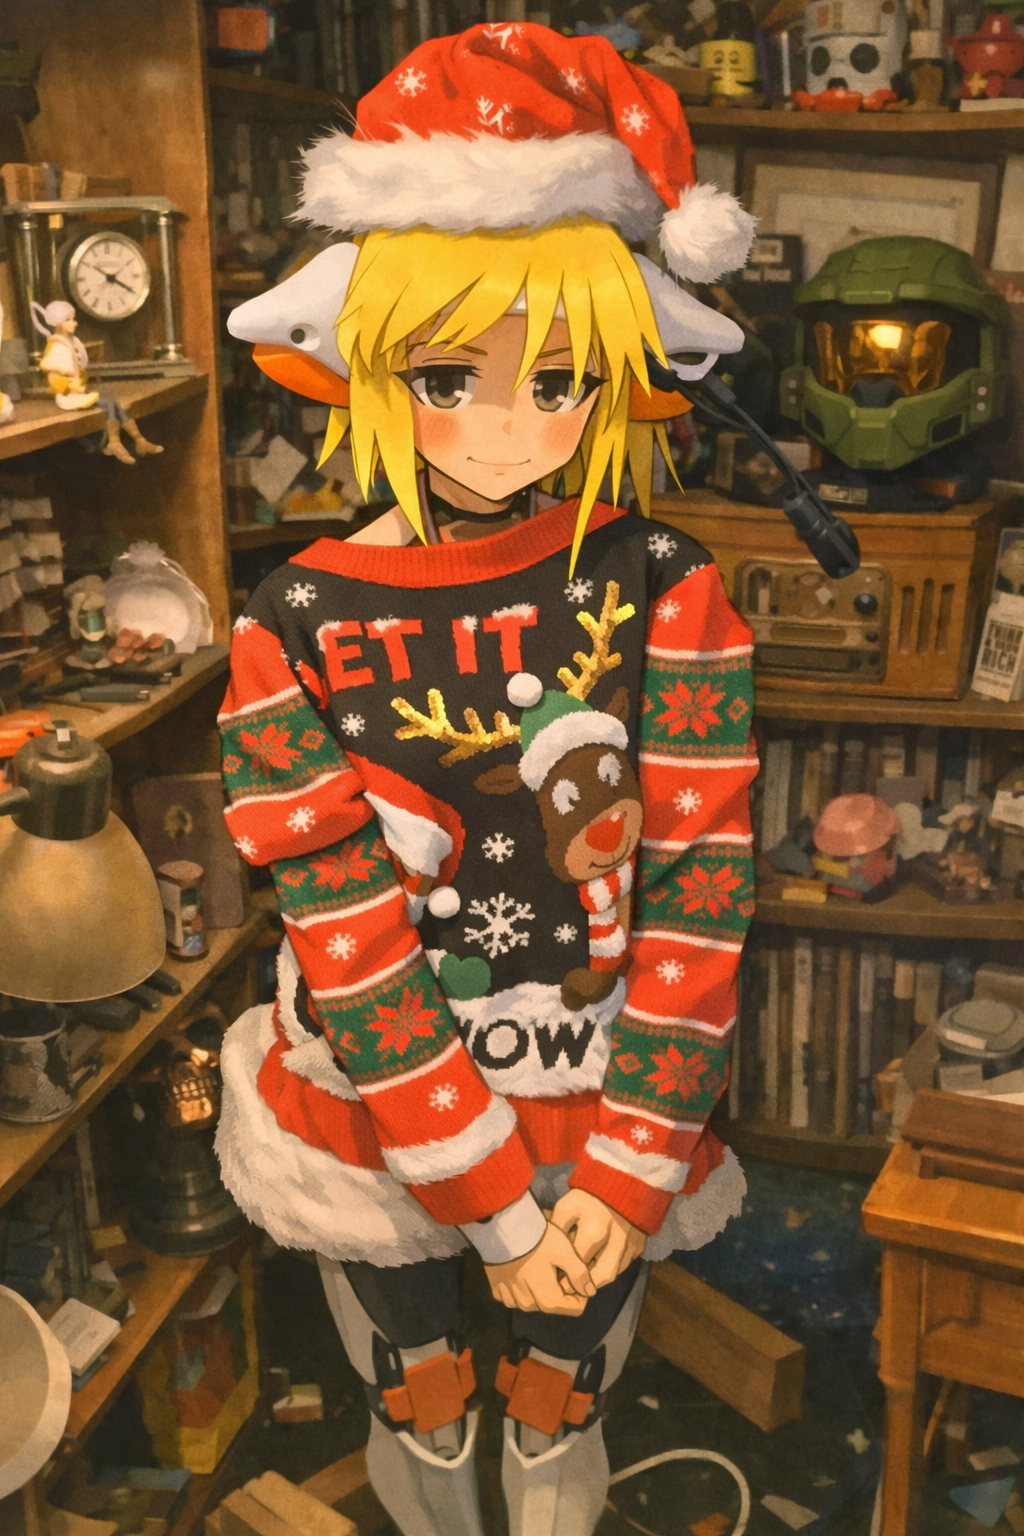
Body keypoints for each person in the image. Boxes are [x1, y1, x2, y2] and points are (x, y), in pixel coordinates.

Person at [217, 24, 758, 1536]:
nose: (510, 427)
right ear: (361, 364)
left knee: (563, 1398)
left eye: (562, 377)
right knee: (419, 1390)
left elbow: (702, 889)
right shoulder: (291, 624)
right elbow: (342, 923)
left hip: (606, 1092)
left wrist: (628, 1173)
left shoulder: (669, 587)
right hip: (378, 1096)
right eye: (447, 375)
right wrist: (490, 1205)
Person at [30, 299, 163, 464]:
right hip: (68, 397)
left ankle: (135, 441)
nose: (74, 323)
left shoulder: (69, 342)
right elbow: (54, 378)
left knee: (112, 403)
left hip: (77, 393)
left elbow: (78, 368)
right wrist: (71, 386)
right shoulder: (57, 347)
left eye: (73, 319)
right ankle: (123, 442)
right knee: (110, 402)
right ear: (58, 323)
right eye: (68, 320)